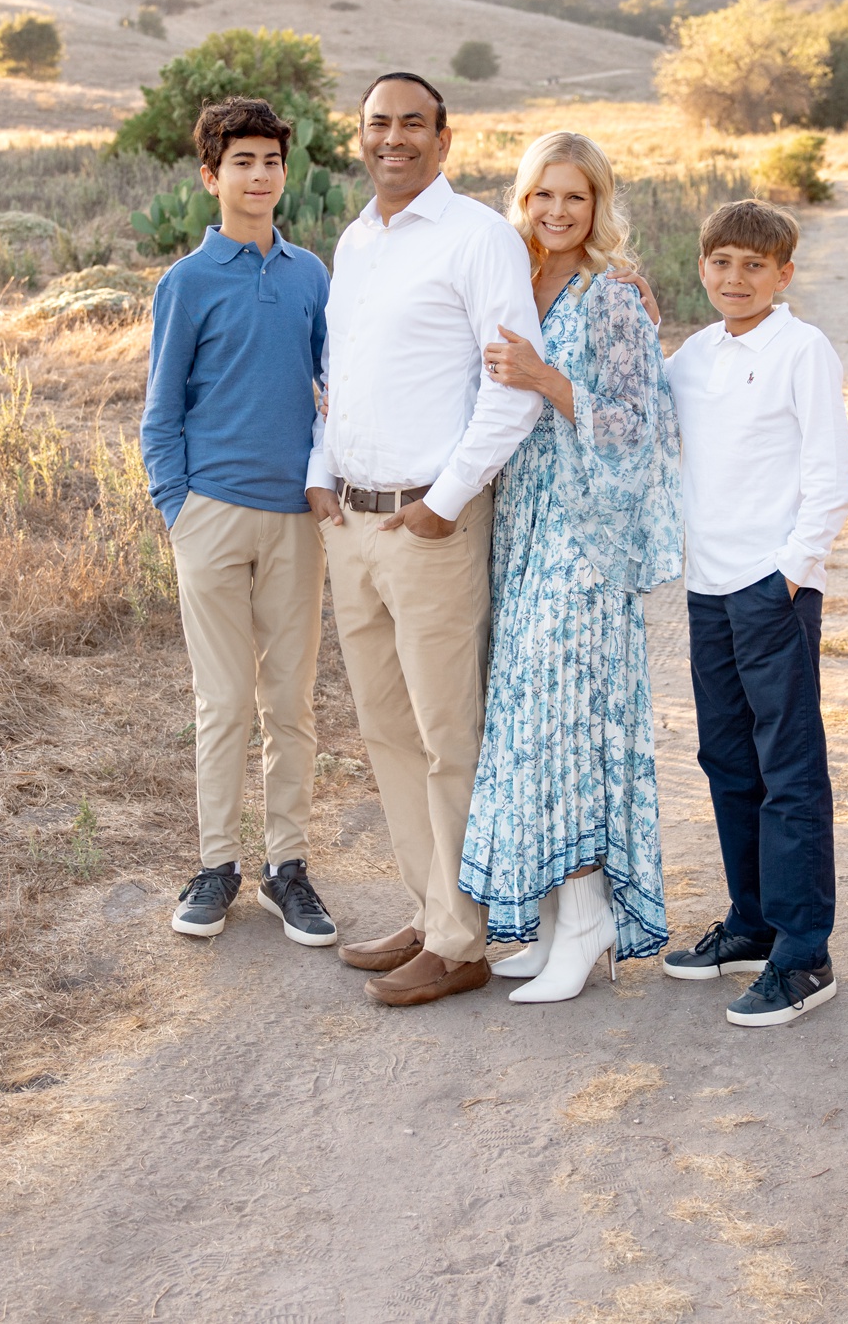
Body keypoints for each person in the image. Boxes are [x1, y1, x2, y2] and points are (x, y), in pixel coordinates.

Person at [307, 72, 544, 1007]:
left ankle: (465, 936)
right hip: (352, 522)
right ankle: (430, 907)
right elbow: (343, 371)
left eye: (413, 124)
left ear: (445, 140)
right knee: (387, 728)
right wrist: (322, 472)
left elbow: (514, 384)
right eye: (378, 124)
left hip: (427, 522)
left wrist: (447, 499)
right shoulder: (356, 240)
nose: (393, 138)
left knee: (449, 733)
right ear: (359, 138)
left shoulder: (479, 237)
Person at [459, 131, 682, 1004]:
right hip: (522, 524)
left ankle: (589, 911)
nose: (557, 211)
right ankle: (555, 915)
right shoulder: (515, 276)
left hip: (584, 540)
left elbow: (639, 426)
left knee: (565, 717)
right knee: (526, 720)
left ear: (599, 206)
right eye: (543, 195)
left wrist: (548, 379)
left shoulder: (613, 295)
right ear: (523, 198)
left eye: (575, 198)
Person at [142, 96, 339, 948]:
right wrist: (179, 511)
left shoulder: (311, 275)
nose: (259, 176)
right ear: (210, 176)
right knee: (223, 701)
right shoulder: (186, 283)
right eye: (242, 162)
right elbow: (160, 411)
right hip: (212, 519)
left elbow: (342, 382)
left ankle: (286, 867)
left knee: (290, 702)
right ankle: (216, 864)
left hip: (296, 518)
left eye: (271, 161)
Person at [660, 200, 848, 1027]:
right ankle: (751, 921)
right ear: (702, 267)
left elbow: (832, 472)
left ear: (783, 274)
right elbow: (638, 417)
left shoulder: (801, 350)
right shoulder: (693, 355)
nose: (733, 279)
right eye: (720, 262)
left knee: (788, 767)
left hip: (769, 586)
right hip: (706, 584)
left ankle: (804, 951)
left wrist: (789, 571)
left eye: (753, 265)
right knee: (727, 758)